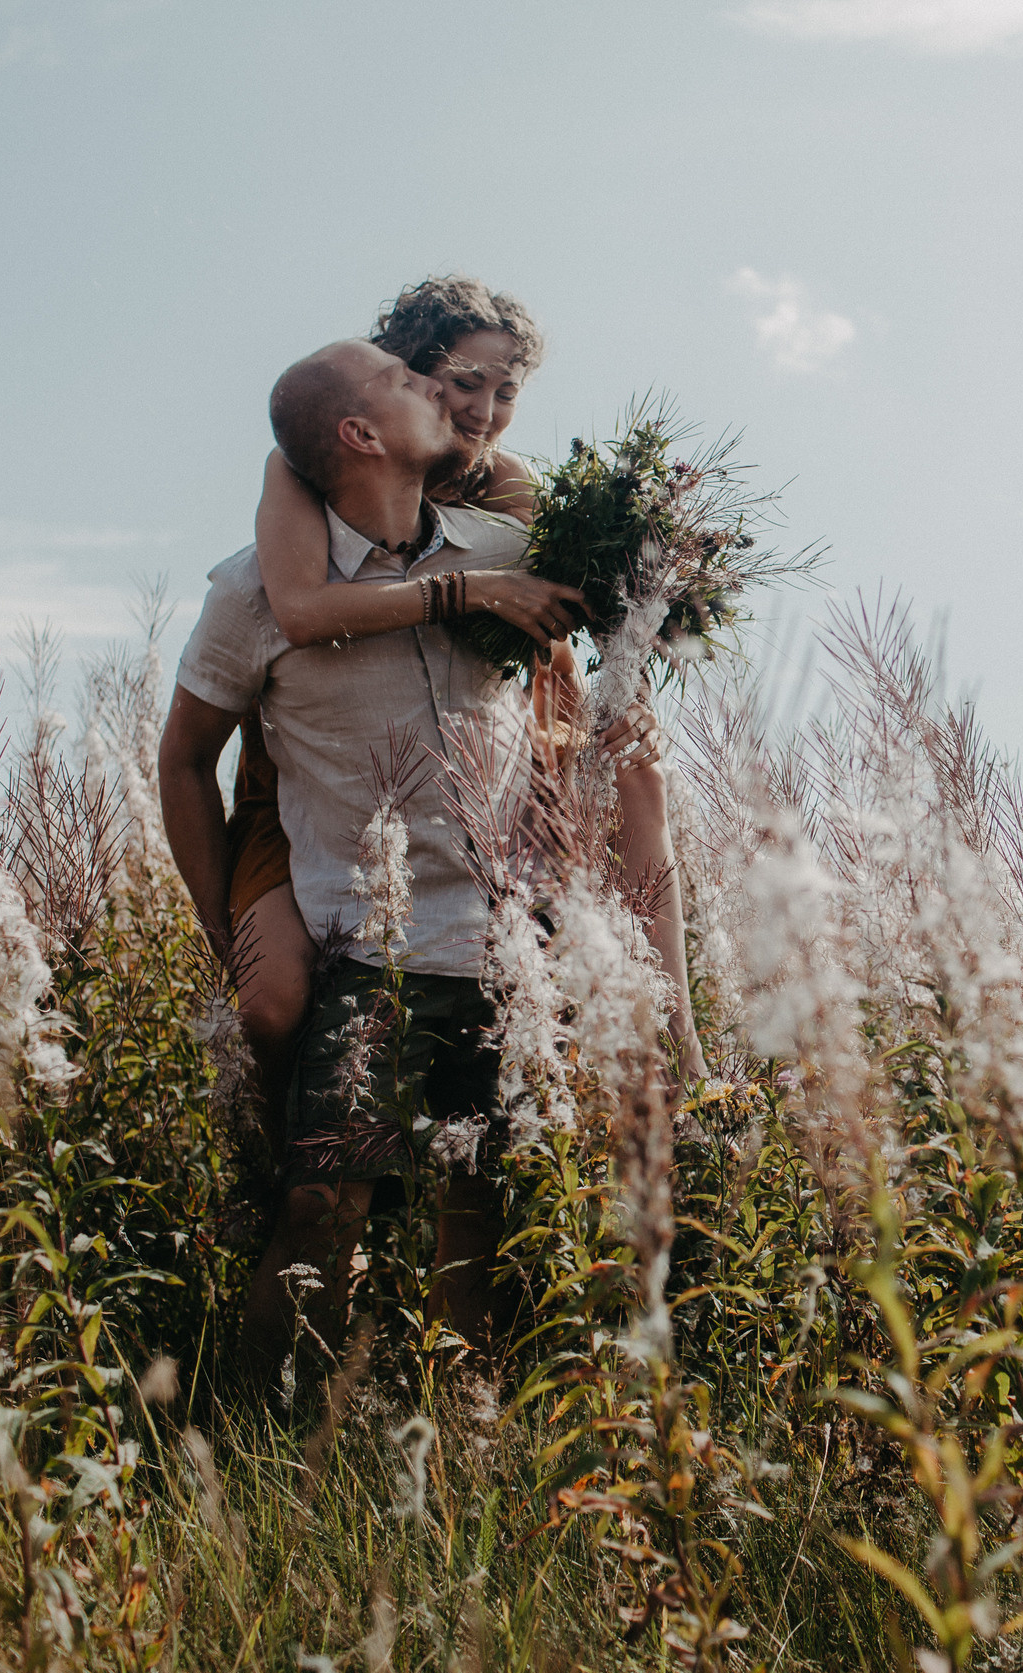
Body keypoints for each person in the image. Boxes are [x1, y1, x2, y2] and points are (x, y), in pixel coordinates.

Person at [155, 337, 681, 1397]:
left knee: (476, 1220)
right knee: (318, 1207)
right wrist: (229, 930)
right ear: (359, 436)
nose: (440, 394)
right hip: (360, 942)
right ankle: (238, 1453)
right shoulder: (257, 594)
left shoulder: (505, 561)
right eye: (407, 383)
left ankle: (465, 1451)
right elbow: (182, 759)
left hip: (498, 944)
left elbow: (606, 720)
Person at [220, 279, 702, 1170]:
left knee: (638, 772)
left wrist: (629, 658)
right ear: (404, 374)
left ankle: (680, 1040)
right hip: (317, 760)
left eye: (507, 391)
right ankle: (279, 1152)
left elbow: (564, 604)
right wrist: (470, 591)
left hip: (476, 722)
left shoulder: (504, 485)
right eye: (462, 381)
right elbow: (296, 604)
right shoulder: (305, 468)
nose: (483, 410)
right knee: (275, 1000)